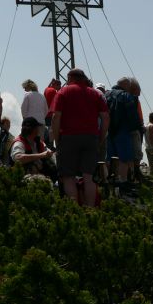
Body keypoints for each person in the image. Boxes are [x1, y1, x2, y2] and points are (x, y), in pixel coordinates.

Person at [51, 68, 110, 207]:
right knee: (89, 177)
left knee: (68, 177)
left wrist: (57, 140)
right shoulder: (96, 94)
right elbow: (106, 118)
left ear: (69, 78)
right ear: (83, 78)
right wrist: (100, 138)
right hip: (91, 138)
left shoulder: (63, 92)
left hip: (68, 137)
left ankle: (75, 212)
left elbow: (55, 117)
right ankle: (91, 211)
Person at [105, 77, 141, 192]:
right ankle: (123, 183)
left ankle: (111, 182)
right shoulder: (126, 95)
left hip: (109, 131)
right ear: (126, 85)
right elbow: (133, 116)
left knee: (110, 158)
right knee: (124, 159)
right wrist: (136, 128)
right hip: (123, 131)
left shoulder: (106, 94)